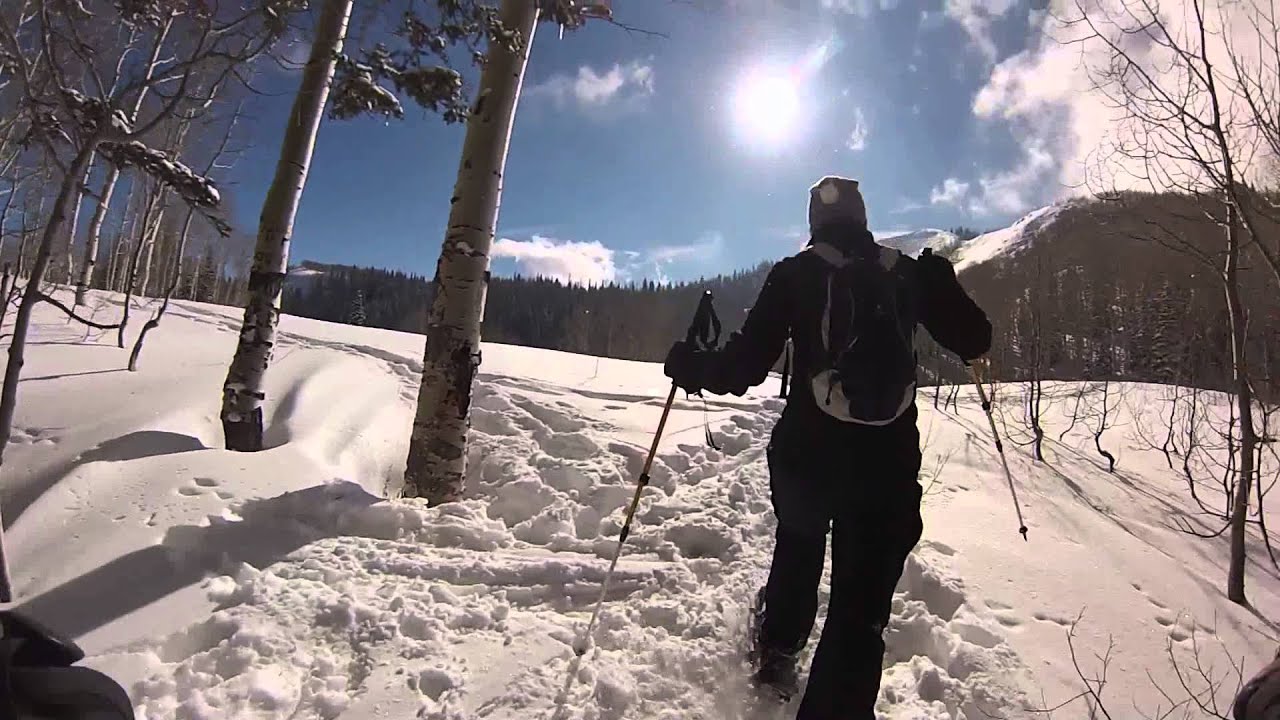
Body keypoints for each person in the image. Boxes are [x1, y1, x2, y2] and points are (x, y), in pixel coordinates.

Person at [663, 176, 992, 719]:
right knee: (858, 617)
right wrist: (943, 282)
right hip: (885, 467)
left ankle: (777, 656)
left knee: (799, 543)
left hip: (806, 458)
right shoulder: (905, 274)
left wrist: (687, 363)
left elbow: (743, 368)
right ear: (864, 219)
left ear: (813, 221)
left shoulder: (795, 274)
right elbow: (974, 341)